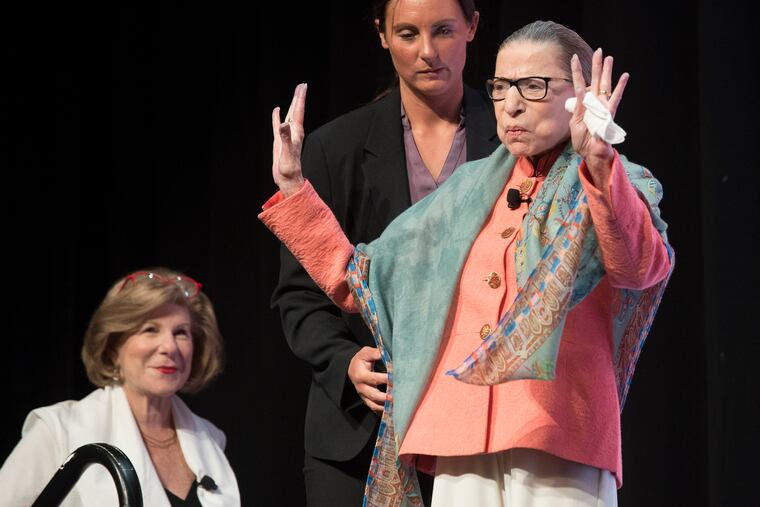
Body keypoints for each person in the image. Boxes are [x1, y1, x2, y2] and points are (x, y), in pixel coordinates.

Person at [265, 19, 674, 507]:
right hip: (460, 435)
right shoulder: (467, 190)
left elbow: (638, 269)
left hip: (557, 429)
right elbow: (364, 281)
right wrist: (295, 190)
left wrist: (601, 164)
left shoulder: (617, 180)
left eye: (534, 86)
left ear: (583, 96)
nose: (512, 104)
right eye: (502, 88)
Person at [270, 0, 499, 504]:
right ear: (381, 35)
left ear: (472, 27)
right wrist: (346, 361)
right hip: (362, 436)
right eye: (407, 34)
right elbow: (299, 295)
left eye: (443, 31)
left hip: (482, 429)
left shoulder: (511, 135)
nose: (426, 52)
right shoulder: (336, 148)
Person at [0, 268, 240, 507]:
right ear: (113, 347)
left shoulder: (211, 439)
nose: (169, 346)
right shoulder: (58, 430)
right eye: (150, 329)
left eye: (181, 333)